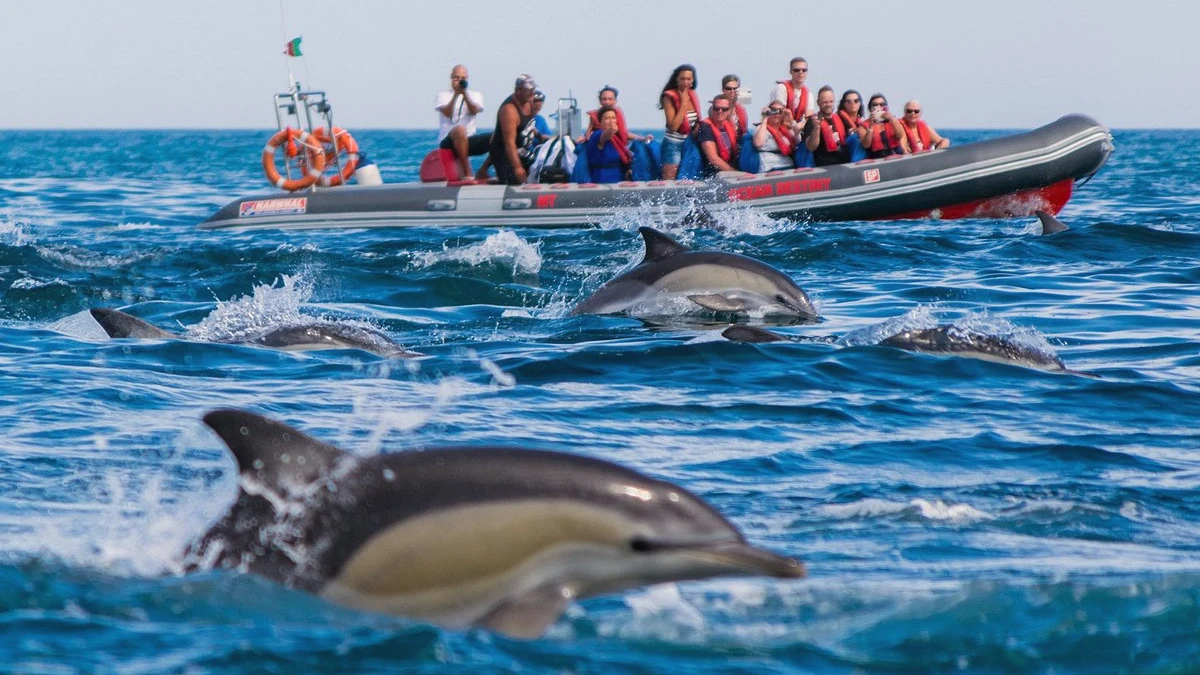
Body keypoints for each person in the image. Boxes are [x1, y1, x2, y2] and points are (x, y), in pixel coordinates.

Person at [435, 64, 490, 179]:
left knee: (497, 137)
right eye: (456, 78)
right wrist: (456, 94)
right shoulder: (442, 95)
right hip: (448, 141)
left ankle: (484, 170)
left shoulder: (475, 95)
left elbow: (474, 110)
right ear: (451, 78)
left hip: (469, 139)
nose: (460, 81)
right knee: (460, 129)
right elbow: (447, 113)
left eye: (463, 78)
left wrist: (464, 93)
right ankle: (467, 172)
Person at [490, 74, 541, 185]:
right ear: (518, 90)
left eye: (533, 89)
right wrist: (517, 167)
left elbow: (528, 125)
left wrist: (540, 136)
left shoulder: (530, 101)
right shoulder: (509, 111)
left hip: (522, 151)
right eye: (528, 90)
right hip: (506, 154)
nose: (532, 93)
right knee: (516, 178)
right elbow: (509, 143)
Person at [659, 64, 701, 180]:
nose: (686, 82)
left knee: (690, 176)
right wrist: (683, 104)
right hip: (673, 144)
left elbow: (696, 120)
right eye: (682, 79)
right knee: (670, 178)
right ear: (676, 80)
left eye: (688, 79)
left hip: (690, 142)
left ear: (693, 80)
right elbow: (673, 126)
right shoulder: (669, 97)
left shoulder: (693, 94)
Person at [803, 86, 851, 166]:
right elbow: (811, 147)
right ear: (818, 102)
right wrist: (817, 128)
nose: (828, 104)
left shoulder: (840, 119)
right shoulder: (812, 121)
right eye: (825, 102)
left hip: (844, 163)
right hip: (825, 166)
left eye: (831, 101)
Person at [696, 94, 741, 177]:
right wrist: (735, 173)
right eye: (716, 108)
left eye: (724, 109)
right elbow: (713, 159)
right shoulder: (705, 127)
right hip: (713, 174)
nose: (720, 111)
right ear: (712, 109)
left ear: (729, 111)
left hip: (728, 170)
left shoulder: (728, 126)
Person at [585, 106, 632, 183]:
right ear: (600, 122)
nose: (611, 121)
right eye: (607, 118)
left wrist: (642, 138)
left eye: (613, 118)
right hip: (603, 178)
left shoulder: (616, 137)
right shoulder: (597, 135)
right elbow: (604, 137)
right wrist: (611, 130)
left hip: (619, 177)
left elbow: (626, 135)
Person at [771, 57, 816, 135]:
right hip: (780, 130)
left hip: (797, 131)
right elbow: (779, 116)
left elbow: (809, 119)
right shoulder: (781, 89)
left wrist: (798, 126)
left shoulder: (809, 95)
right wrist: (795, 126)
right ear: (791, 72)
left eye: (804, 70)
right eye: (796, 70)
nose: (801, 72)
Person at [752, 101, 796, 172]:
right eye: (773, 110)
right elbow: (758, 143)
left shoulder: (786, 130)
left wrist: (791, 121)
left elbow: (799, 142)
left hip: (788, 166)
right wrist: (765, 118)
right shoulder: (762, 128)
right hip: (770, 167)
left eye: (780, 111)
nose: (776, 114)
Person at [861, 93, 909, 158]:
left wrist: (892, 119)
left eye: (882, 104)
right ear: (870, 108)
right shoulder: (864, 125)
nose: (878, 107)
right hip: (878, 156)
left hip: (895, 152)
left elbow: (900, 135)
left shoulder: (892, 121)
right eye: (875, 105)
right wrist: (871, 126)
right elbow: (866, 145)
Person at [721, 74, 750, 139]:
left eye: (735, 89)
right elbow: (726, 119)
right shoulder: (717, 106)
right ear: (723, 90)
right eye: (729, 89)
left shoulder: (740, 108)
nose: (732, 91)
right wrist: (732, 103)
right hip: (725, 139)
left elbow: (745, 128)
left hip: (739, 139)